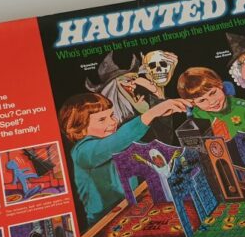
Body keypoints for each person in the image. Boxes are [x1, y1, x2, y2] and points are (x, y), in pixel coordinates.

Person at [59, 92, 189, 226]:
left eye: (111, 115)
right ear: (80, 129)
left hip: (133, 208)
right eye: (102, 120)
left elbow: (150, 149)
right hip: (104, 221)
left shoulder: (119, 141)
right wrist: (151, 114)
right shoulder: (82, 151)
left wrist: (161, 118)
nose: (112, 122)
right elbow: (113, 143)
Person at [177, 67, 245, 139]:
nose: (212, 101)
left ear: (220, 85)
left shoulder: (244, 108)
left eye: (213, 93)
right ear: (193, 103)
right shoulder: (197, 114)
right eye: (202, 100)